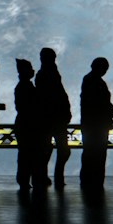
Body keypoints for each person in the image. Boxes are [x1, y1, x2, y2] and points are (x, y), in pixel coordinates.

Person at [38, 46, 74, 189]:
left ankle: (46, 175)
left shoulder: (46, 74)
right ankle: (55, 176)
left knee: (49, 149)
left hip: (52, 117)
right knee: (60, 150)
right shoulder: (49, 74)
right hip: (55, 117)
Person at [78, 57, 113, 190]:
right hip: (96, 125)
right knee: (96, 153)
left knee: (92, 153)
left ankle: (90, 180)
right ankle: (94, 180)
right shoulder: (94, 81)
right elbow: (98, 103)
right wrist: (110, 110)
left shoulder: (90, 80)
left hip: (92, 124)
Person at [14, 59, 48, 190]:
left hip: (24, 124)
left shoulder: (23, 86)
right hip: (29, 125)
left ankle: (24, 180)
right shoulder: (26, 87)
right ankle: (28, 179)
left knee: (25, 154)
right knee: (30, 154)